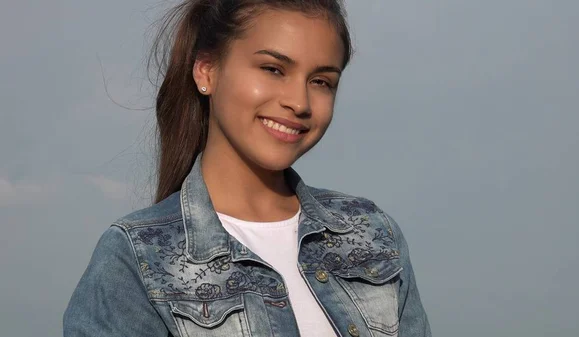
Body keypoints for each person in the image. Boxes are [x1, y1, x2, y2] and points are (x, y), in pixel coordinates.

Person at [63, 0, 431, 336]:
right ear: (206, 71)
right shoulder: (136, 257)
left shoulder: (370, 234)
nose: (299, 102)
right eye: (273, 69)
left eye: (321, 81)